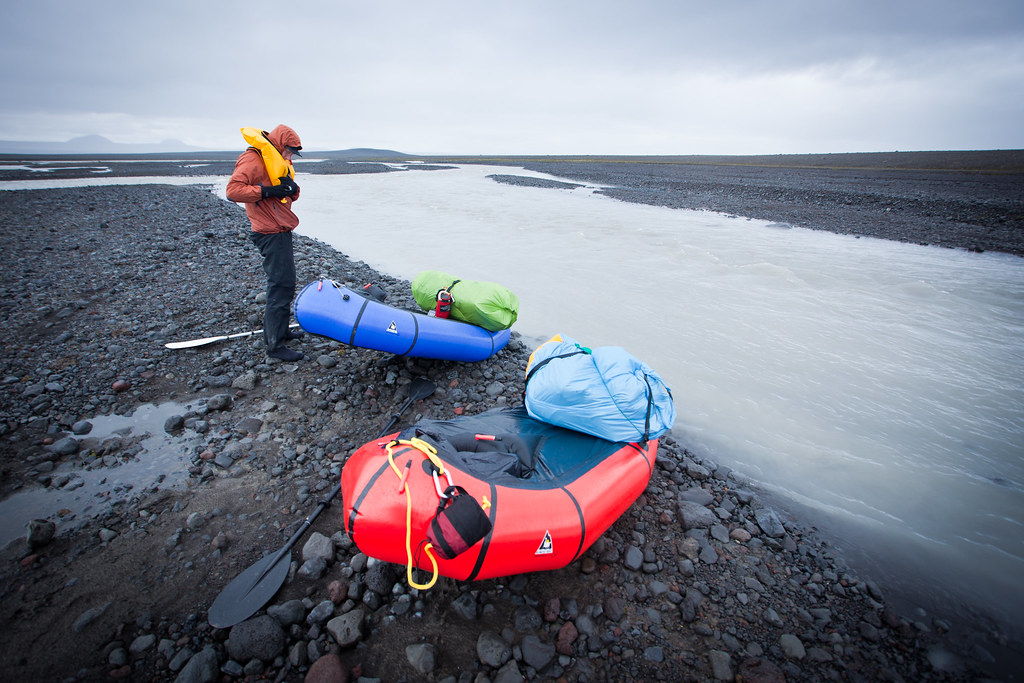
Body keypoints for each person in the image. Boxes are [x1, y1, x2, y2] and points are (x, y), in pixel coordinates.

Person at [226, 125, 306, 362]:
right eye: (289, 152)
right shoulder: (253, 158)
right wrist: (268, 191)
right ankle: (275, 346)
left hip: (280, 228)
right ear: (280, 145)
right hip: (269, 231)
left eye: (293, 154)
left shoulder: (275, 159)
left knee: (286, 282)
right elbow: (233, 191)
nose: (290, 157)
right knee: (280, 285)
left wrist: (292, 190)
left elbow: (284, 194)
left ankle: (282, 331)